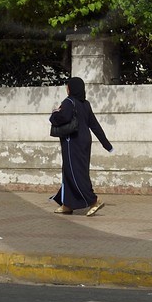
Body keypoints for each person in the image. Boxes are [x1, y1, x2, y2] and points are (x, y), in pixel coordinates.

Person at [49, 76, 111, 216]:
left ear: (71, 88)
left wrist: (53, 115)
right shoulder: (85, 104)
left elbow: (61, 118)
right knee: (72, 171)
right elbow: (94, 125)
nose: (66, 89)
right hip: (84, 141)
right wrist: (106, 144)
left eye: (67, 86)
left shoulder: (68, 102)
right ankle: (67, 204)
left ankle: (94, 201)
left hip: (72, 142)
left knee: (75, 173)